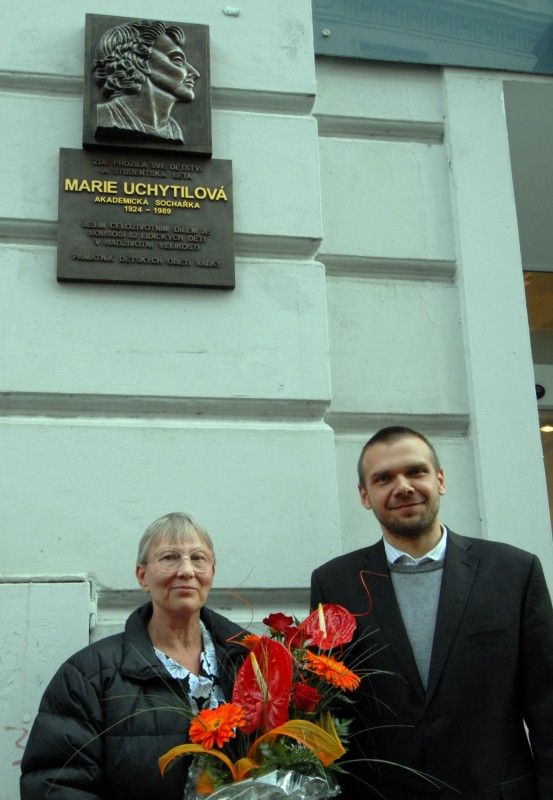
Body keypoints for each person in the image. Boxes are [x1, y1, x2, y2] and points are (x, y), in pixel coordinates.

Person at [311, 426, 553, 800]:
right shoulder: (335, 584)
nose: (403, 486)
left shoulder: (514, 572)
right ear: (365, 495)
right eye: (384, 478)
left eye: (416, 471)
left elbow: (546, 705)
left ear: (439, 479)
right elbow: (328, 715)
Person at [20, 512, 247, 799]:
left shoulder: (252, 661)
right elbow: (56, 785)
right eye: (169, 558)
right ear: (142, 576)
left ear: (211, 572)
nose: (187, 570)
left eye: (198, 558)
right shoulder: (89, 676)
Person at [93, 20, 200, 144]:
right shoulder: (104, 116)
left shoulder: (175, 131)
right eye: (177, 59)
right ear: (140, 61)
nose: (194, 72)